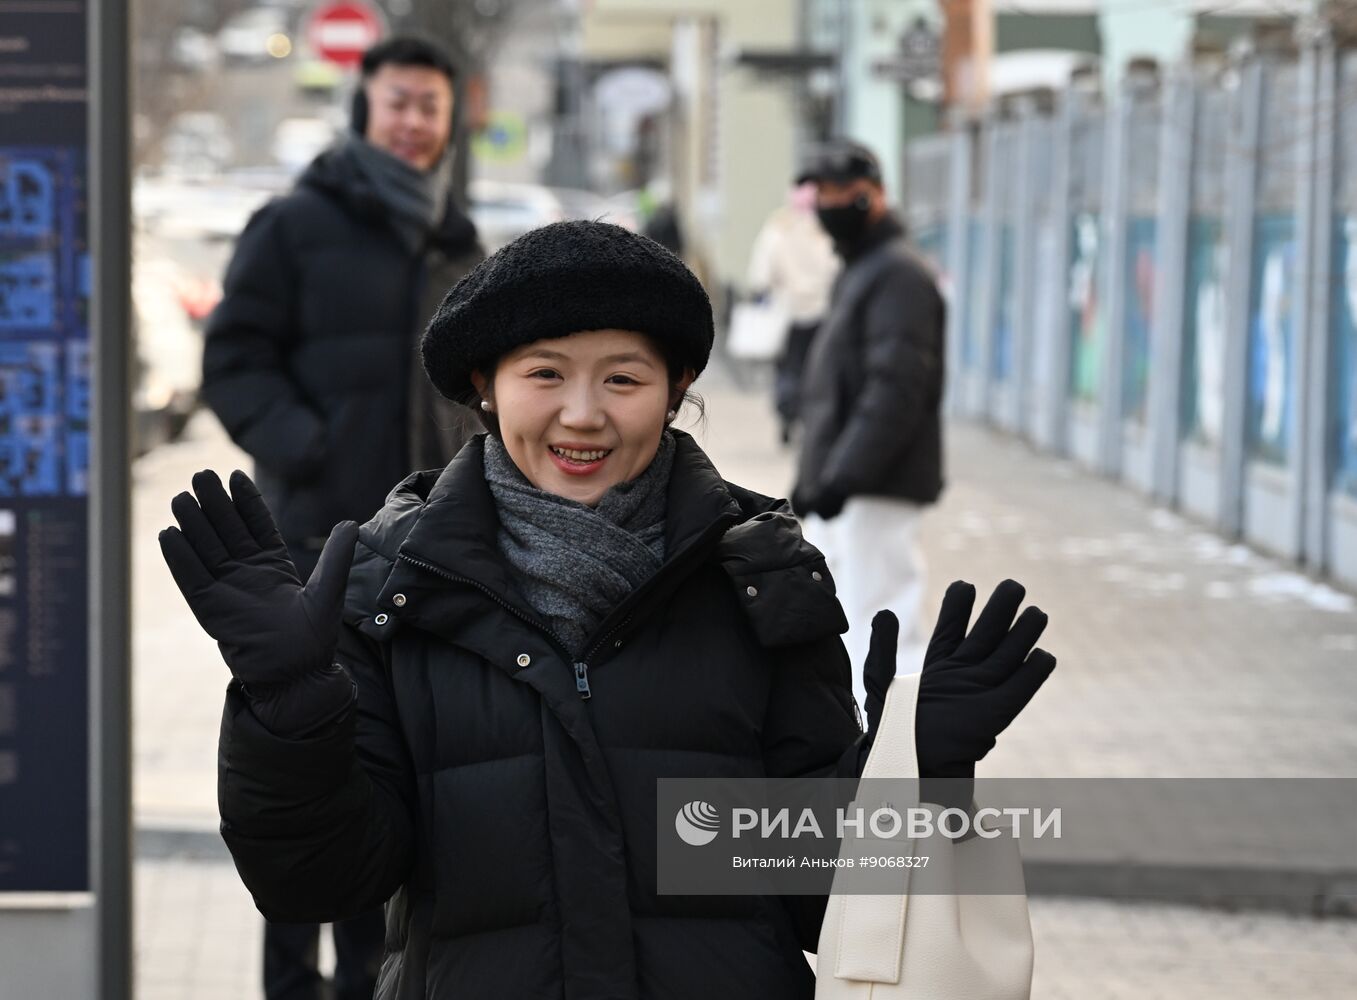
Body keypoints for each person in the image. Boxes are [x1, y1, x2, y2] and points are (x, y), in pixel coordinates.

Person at [161, 221, 1054, 999]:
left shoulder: (760, 574)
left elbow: (815, 897)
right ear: (485, 383)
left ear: (677, 386)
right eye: (543, 373)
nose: (581, 416)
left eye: (622, 380)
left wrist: (915, 772)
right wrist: (289, 707)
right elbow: (321, 882)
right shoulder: (394, 588)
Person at [198, 35, 483, 1000]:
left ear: (450, 121)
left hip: (426, 549)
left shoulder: (456, 238)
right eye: (397, 102)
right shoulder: (292, 224)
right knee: (299, 763)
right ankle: (290, 984)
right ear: (365, 107)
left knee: (388, 771)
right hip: (310, 541)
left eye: (429, 107)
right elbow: (233, 357)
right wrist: (304, 445)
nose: (412, 122)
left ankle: (369, 979)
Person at [790, 140, 947, 711]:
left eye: (842, 193)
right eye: (821, 193)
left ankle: (895, 758)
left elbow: (894, 390)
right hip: (853, 484)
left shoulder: (898, 275)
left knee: (885, 628)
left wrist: (842, 477)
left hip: (877, 485)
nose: (830, 204)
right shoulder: (866, 270)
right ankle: (861, 749)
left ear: (874, 193)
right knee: (854, 625)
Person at [746, 181, 840, 442]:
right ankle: (809, 416)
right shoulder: (825, 229)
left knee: (787, 366)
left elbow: (762, 269)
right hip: (821, 310)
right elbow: (834, 268)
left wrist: (762, 290)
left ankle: (787, 412)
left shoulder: (779, 226)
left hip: (786, 311)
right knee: (816, 368)